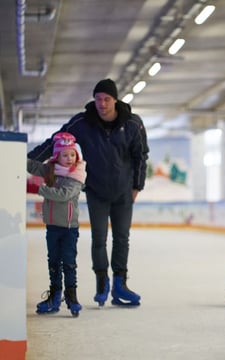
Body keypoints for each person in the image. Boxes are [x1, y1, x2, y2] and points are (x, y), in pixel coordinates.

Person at [28, 79, 149, 307]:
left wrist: (137, 187)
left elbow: (141, 156)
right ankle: (102, 283)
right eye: (98, 99)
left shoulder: (133, 124)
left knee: (122, 238)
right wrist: (23, 159)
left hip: (124, 193)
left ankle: (120, 284)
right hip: (96, 191)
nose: (102, 104)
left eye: (107, 99)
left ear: (115, 100)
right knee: (99, 239)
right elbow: (55, 142)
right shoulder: (82, 123)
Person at [27, 132, 87, 317]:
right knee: (53, 262)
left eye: (72, 154)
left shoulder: (77, 175)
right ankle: (55, 295)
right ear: (57, 156)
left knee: (68, 263)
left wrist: (38, 189)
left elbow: (63, 195)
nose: (69, 159)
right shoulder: (51, 170)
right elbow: (32, 166)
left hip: (69, 228)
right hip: (52, 226)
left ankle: (71, 295)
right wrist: (14, 152)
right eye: (65, 155)